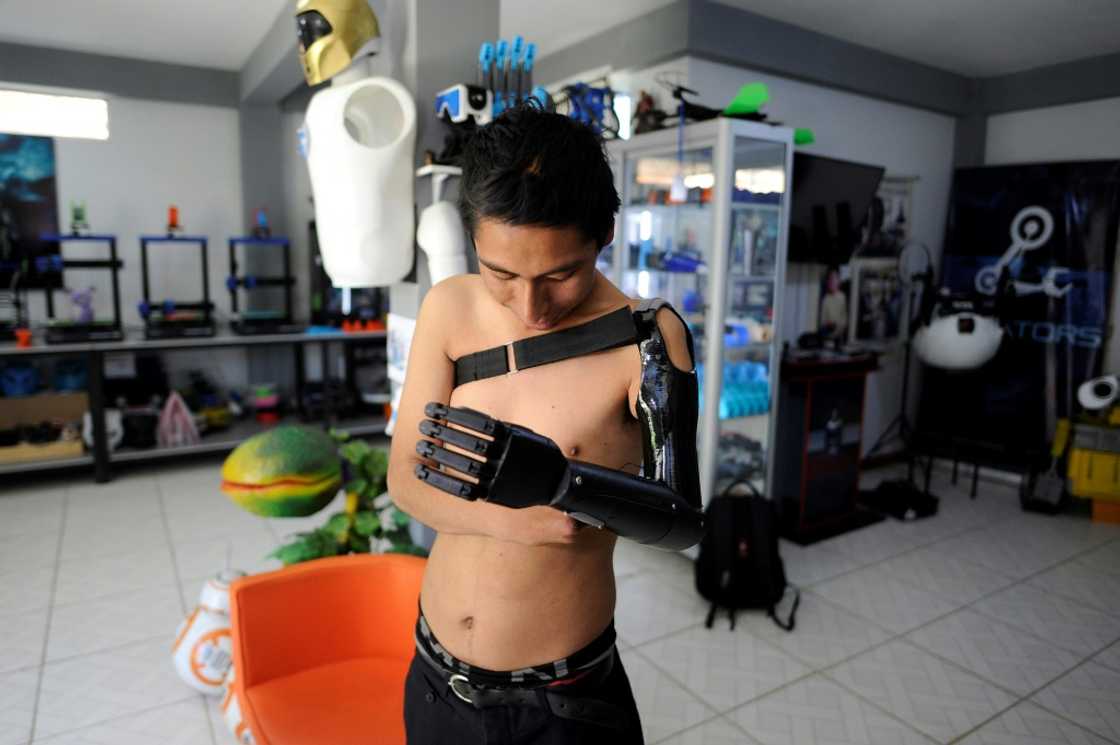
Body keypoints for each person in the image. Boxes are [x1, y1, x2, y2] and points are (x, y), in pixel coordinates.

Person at [387, 104, 703, 744]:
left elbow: (683, 525)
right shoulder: (449, 307)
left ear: (605, 234)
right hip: (435, 676)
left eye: (561, 273)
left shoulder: (646, 339)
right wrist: (517, 518)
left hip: (560, 701)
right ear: (474, 237)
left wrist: (567, 484)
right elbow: (405, 479)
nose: (531, 305)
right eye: (501, 273)